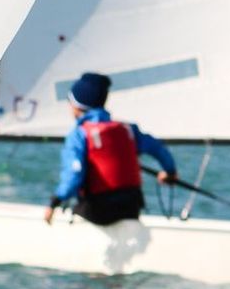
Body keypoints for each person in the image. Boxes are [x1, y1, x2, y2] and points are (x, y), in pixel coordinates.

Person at [44, 72, 176, 226]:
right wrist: (170, 172)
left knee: (77, 206)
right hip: (132, 208)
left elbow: (74, 173)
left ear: (77, 105)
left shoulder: (78, 135)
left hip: (99, 212)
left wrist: (54, 202)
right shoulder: (128, 129)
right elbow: (159, 149)